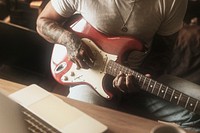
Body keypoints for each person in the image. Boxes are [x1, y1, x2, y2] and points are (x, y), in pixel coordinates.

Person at [36, 0, 200, 132]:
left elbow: (163, 51)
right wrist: (68, 39)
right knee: (81, 126)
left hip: (140, 82)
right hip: (90, 81)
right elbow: (43, 21)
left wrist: (146, 75)